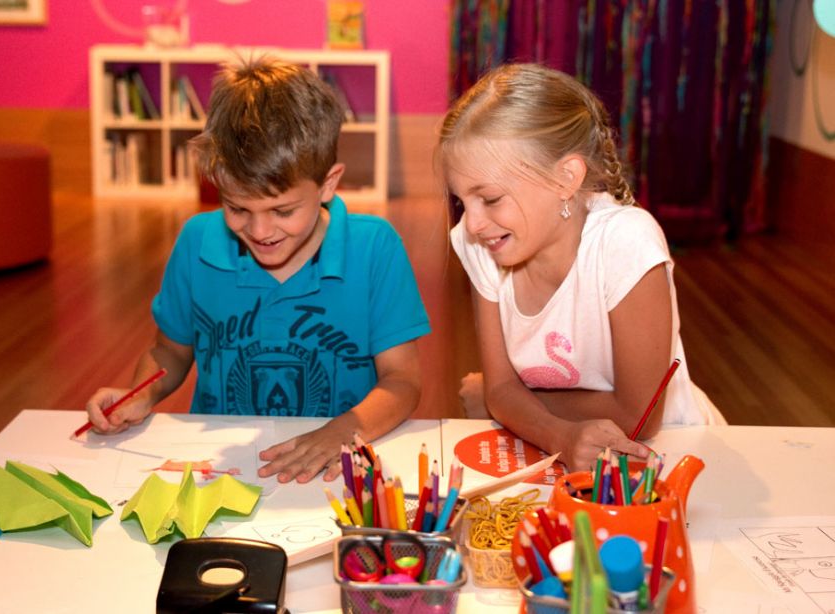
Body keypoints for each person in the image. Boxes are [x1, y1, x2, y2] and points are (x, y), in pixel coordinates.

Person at [85, 57, 430, 483]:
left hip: (335, 466)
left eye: (282, 210)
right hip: (219, 467)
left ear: (327, 183)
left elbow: (403, 380)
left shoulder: (375, 247)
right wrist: (140, 393)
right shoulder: (197, 241)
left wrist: (342, 431)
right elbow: (170, 352)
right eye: (237, 208)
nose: (260, 230)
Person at [440, 63, 721, 472]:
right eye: (463, 201)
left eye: (491, 198)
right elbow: (501, 391)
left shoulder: (625, 242)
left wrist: (506, 401)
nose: (474, 221)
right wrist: (554, 432)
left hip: (673, 453)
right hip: (555, 449)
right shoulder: (481, 239)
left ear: (566, 178)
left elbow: (637, 417)